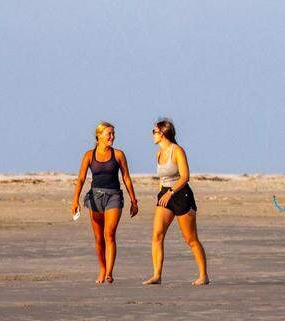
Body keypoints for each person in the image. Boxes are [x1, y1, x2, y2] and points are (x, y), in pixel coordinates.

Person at [70, 122, 139, 284]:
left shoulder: (119, 155)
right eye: (109, 134)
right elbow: (80, 179)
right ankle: (102, 268)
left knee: (109, 235)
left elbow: (126, 178)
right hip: (95, 198)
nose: (112, 137)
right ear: (99, 135)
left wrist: (133, 200)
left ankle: (109, 272)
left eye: (113, 134)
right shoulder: (88, 155)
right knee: (99, 238)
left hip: (114, 197)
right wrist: (75, 200)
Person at [143, 119, 209, 286]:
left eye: (154, 132)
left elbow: (185, 177)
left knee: (190, 239)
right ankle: (157, 275)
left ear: (163, 133)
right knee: (157, 235)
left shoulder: (177, 150)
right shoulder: (158, 153)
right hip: (165, 195)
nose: (152, 135)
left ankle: (204, 276)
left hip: (181, 194)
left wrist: (171, 192)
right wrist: (162, 194)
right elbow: (162, 179)